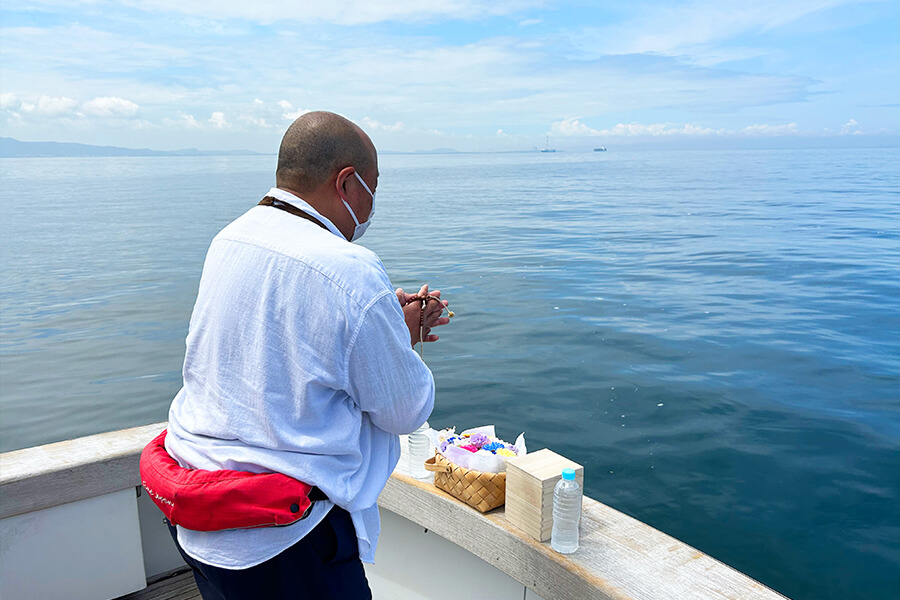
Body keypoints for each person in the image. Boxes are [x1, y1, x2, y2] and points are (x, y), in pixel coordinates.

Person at [163, 111, 450, 599]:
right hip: (286, 537)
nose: (372, 203)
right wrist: (400, 337)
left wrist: (382, 326)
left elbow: (274, 349)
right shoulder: (351, 269)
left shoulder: (229, 238)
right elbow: (404, 410)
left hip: (200, 514)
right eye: (371, 188)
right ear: (346, 182)